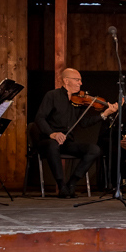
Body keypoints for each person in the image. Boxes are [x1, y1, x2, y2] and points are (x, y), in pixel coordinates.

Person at [30, 68, 118, 198]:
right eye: (77, 80)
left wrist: (105, 114)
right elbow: (40, 118)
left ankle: (71, 184)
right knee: (52, 145)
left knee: (94, 149)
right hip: (47, 141)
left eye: (80, 80)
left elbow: (84, 123)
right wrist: (52, 134)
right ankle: (61, 186)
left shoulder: (78, 101)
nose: (80, 83)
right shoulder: (52, 95)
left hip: (66, 142)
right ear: (66, 81)